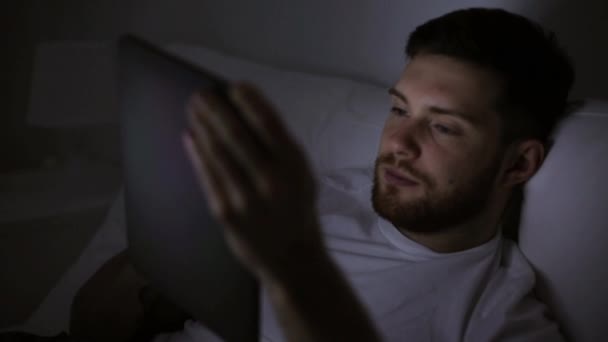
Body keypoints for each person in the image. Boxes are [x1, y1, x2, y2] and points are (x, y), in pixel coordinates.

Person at [72, 7, 575, 342]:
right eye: (399, 110)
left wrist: (295, 264)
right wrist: (166, 244)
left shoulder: (497, 321)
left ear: (519, 164)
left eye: (442, 126)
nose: (398, 144)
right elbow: (89, 327)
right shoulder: (314, 196)